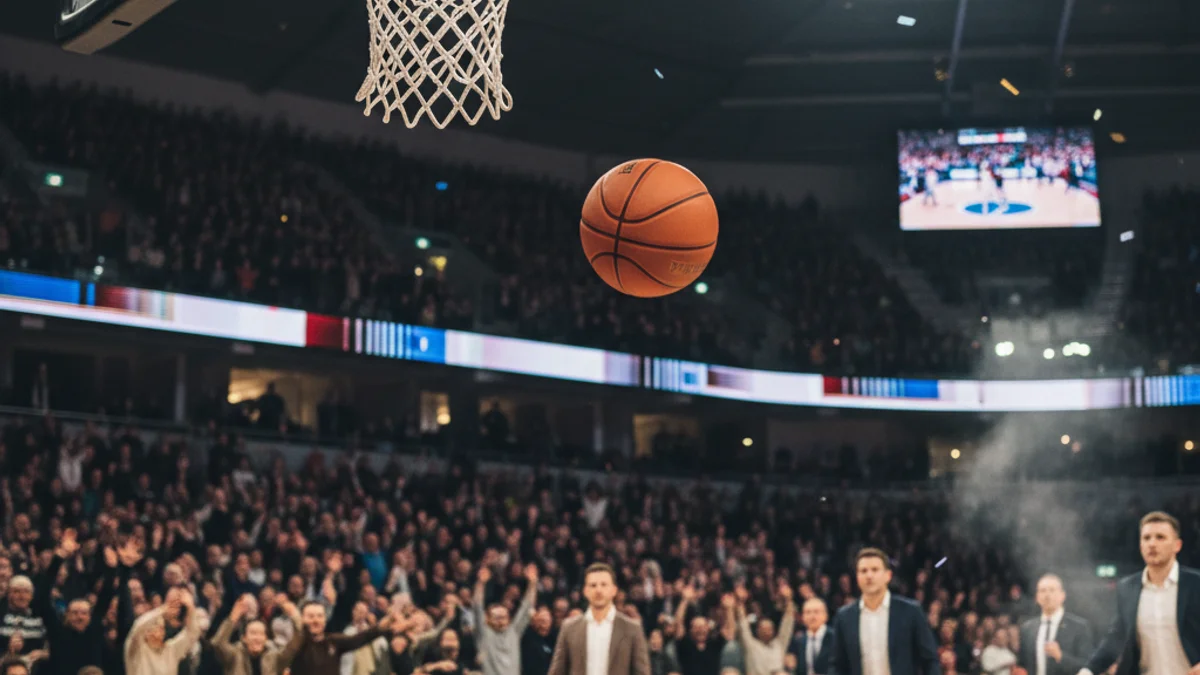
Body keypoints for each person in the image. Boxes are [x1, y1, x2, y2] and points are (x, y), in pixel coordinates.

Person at [1076, 511, 1200, 675]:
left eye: (1160, 537)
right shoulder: (1127, 588)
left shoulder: (1195, 584)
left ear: (1177, 545)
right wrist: (1087, 671)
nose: (1152, 543)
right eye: (1146, 538)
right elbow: (1115, 639)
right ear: (1140, 545)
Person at [828, 548, 940, 675]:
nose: (869, 575)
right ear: (857, 577)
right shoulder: (845, 617)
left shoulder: (911, 611)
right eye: (863, 571)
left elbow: (930, 661)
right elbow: (837, 666)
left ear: (888, 575)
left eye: (875, 570)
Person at [547, 562, 650, 675]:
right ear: (585, 591)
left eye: (604, 584)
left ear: (614, 590)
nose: (598, 590)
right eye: (593, 585)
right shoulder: (569, 628)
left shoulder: (632, 628)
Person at [279, 598, 404, 675]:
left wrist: (387, 621)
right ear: (302, 619)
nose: (316, 620)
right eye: (311, 616)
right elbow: (285, 658)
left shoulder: (333, 641)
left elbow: (361, 638)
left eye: (320, 616)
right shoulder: (298, 643)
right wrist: (297, 621)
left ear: (325, 620)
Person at [1017, 574, 1092, 675]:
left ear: (1062, 595)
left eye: (1052, 590)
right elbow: (1022, 664)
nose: (1047, 595)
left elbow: (1087, 666)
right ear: (1037, 597)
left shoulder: (1079, 627)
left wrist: (1061, 656)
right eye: (1042, 590)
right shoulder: (1027, 628)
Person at [475, 562, 539, 675]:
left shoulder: (514, 632)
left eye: (503, 617)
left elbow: (526, 607)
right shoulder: (483, 633)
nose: (500, 620)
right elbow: (477, 607)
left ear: (509, 619)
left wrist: (533, 583)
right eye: (496, 617)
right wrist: (480, 583)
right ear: (488, 619)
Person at [125, 587, 204, 675]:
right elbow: (138, 627)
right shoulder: (136, 649)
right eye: (153, 627)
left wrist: (190, 607)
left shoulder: (171, 649)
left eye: (161, 628)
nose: (158, 631)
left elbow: (192, 633)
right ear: (146, 632)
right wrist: (163, 610)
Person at [210, 594, 282, 675]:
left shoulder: (272, 654)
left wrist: (295, 616)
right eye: (253, 633)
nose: (257, 638)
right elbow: (217, 643)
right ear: (244, 638)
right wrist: (232, 619)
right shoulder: (235, 654)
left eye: (261, 634)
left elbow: (292, 649)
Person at [735, 579, 795, 675]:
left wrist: (788, 599)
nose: (767, 631)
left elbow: (788, 623)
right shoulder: (751, 646)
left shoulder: (779, 645)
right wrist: (740, 602)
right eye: (763, 629)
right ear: (758, 631)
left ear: (774, 631)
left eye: (769, 629)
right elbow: (743, 625)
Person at [788, 598, 833, 675]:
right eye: (808, 612)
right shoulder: (798, 641)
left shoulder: (835, 638)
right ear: (803, 617)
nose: (812, 616)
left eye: (816, 612)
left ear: (825, 616)